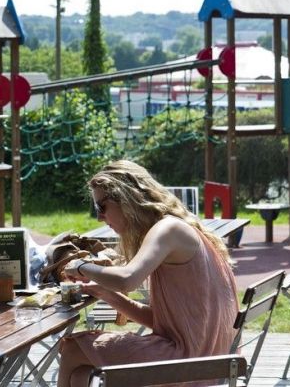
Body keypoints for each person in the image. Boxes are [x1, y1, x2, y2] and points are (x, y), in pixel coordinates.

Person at [57, 160, 238, 387]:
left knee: (74, 348)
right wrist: (107, 294)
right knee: (79, 376)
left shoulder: (168, 229)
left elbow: (126, 280)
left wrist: (82, 266)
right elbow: (159, 321)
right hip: (212, 363)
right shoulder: (178, 229)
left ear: (127, 199)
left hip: (187, 363)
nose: (100, 217)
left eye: (101, 207)